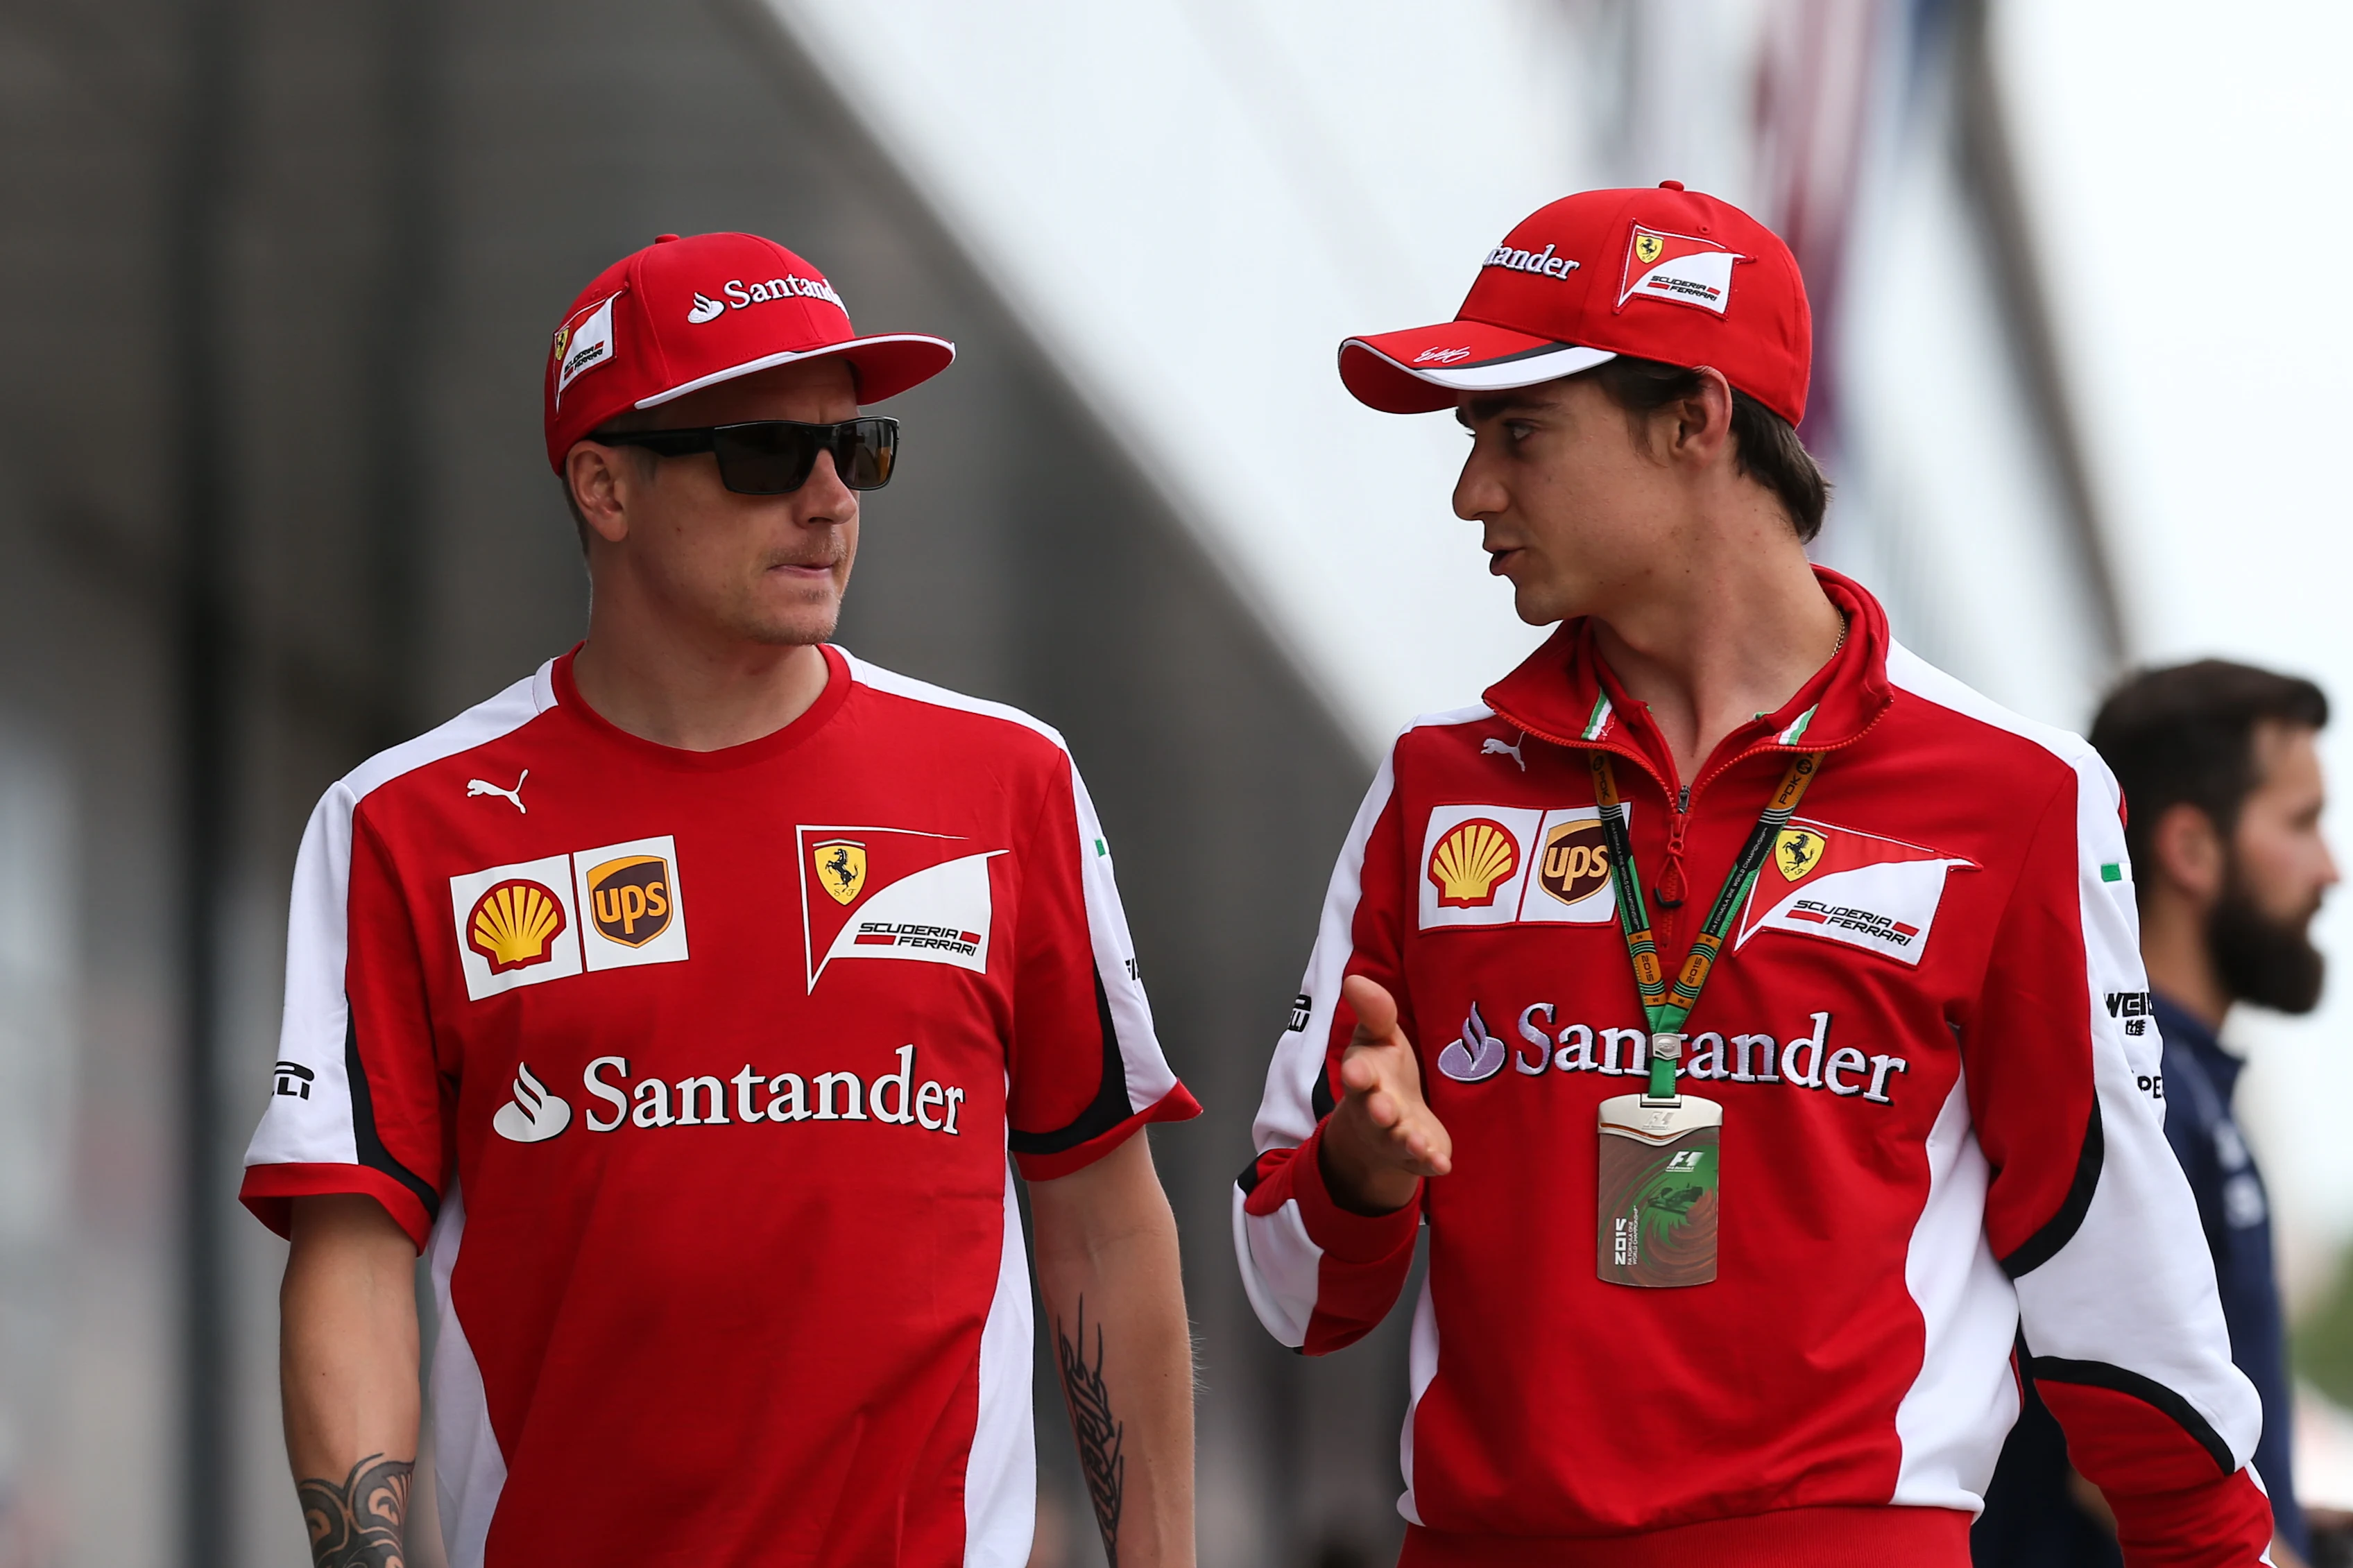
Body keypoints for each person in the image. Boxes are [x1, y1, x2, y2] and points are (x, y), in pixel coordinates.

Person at [1233, 183, 2275, 1565]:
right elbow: (1291, 1294)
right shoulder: (1438, 786)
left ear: (1696, 419)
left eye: (1517, 430)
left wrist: (2201, 1539)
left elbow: (2112, 1255)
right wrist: (1359, 1175)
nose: (1471, 488)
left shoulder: (2018, 794)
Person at [241, 231, 1200, 1568]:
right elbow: (351, 1258)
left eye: (855, 450)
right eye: (763, 454)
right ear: (603, 486)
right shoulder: (401, 825)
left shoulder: (1010, 781)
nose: (828, 499)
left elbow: (1103, 1222)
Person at [1977, 661, 2336, 1568]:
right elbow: (2129, 1462)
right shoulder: (2144, 1092)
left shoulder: (2175, 1083)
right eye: (2301, 824)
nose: (2330, 870)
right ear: (2191, 851)